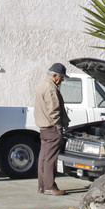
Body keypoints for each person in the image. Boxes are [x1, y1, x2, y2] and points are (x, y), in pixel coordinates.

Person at [34, 62, 70, 195]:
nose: (62, 80)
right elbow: (54, 110)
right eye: (61, 77)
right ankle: (50, 186)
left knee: (43, 157)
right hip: (52, 128)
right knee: (50, 159)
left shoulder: (41, 84)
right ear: (55, 75)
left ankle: (42, 186)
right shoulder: (51, 88)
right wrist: (59, 127)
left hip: (43, 128)